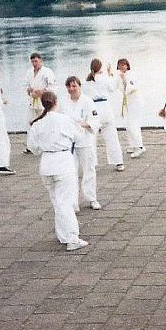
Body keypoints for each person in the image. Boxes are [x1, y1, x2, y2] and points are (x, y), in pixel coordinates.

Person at [27, 91, 89, 251]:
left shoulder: (37, 123)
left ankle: (63, 235)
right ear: (56, 102)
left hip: (47, 164)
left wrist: (46, 145)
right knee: (65, 203)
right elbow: (80, 137)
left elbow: (33, 148)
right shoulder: (64, 119)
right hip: (63, 163)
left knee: (57, 202)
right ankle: (72, 238)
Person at [60, 76, 101, 211]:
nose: (71, 89)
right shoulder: (64, 102)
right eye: (69, 86)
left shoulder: (87, 101)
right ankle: (73, 202)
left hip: (85, 140)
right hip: (69, 143)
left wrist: (84, 124)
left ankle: (91, 198)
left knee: (89, 170)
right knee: (71, 173)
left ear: (79, 86)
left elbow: (95, 120)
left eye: (74, 86)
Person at [85, 59, 124, 171]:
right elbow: (112, 88)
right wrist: (110, 74)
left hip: (93, 109)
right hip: (105, 108)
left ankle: (92, 163)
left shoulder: (87, 82)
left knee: (91, 138)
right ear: (100, 68)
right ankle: (118, 162)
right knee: (112, 137)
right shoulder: (104, 78)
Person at [23, 53, 55, 153]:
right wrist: (29, 90)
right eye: (32, 61)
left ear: (41, 60)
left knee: (44, 122)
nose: (34, 63)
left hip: (43, 101)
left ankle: (46, 144)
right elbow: (25, 85)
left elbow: (52, 86)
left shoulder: (47, 72)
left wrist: (42, 91)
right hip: (32, 101)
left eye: (36, 61)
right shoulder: (29, 72)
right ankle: (30, 146)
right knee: (31, 122)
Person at [116, 58, 146, 158]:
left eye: (123, 65)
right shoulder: (119, 76)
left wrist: (124, 80)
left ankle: (139, 147)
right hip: (128, 102)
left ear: (127, 66)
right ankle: (133, 145)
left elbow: (131, 87)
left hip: (135, 101)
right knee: (128, 123)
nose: (122, 67)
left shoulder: (132, 74)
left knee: (132, 124)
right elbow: (116, 87)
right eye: (120, 65)